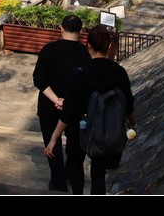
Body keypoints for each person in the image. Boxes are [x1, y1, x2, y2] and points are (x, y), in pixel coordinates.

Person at [44, 25, 136, 195]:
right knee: (98, 173)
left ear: (89, 45)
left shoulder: (80, 74)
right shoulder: (119, 73)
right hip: (106, 129)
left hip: (80, 129)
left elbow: (68, 111)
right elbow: (128, 103)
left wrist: (53, 138)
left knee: (75, 164)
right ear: (109, 46)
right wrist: (133, 123)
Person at [32, 14, 91, 193]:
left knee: (53, 145)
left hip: (49, 107)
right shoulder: (85, 53)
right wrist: (68, 102)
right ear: (81, 31)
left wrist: (56, 99)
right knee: (74, 146)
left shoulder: (49, 49)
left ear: (61, 29)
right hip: (76, 109)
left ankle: (58, 182)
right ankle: (70, 174)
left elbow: (38, 79)